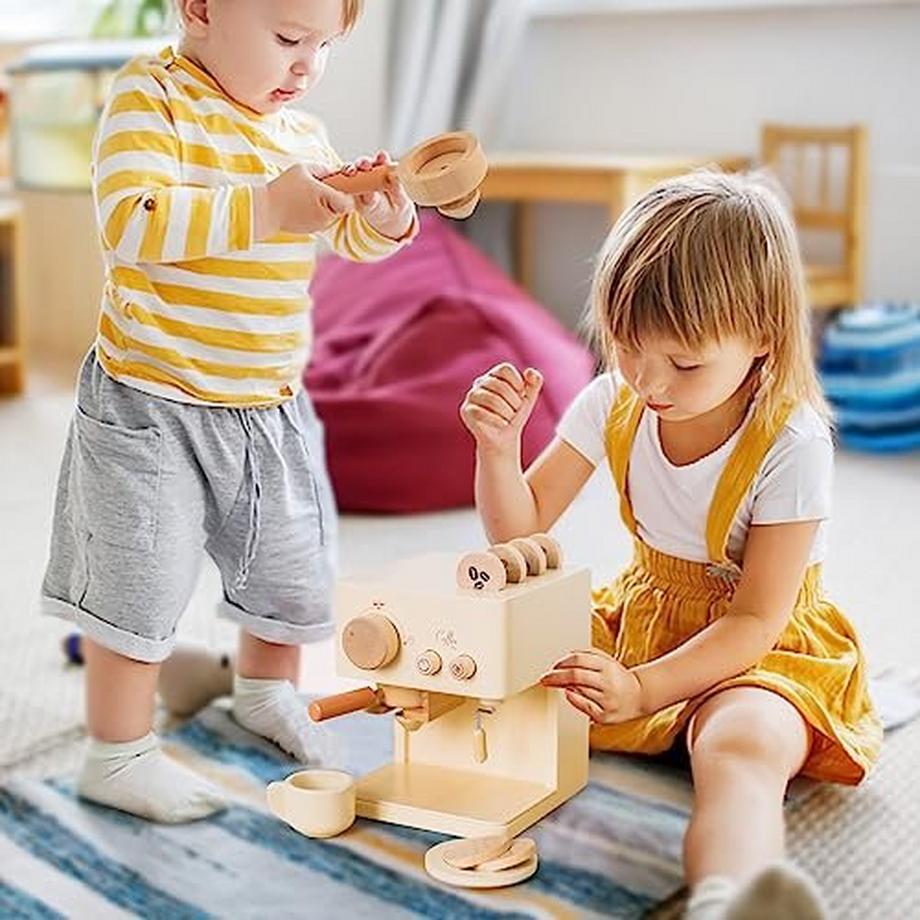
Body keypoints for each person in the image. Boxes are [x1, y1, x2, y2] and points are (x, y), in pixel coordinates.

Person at [460, 171, 881, 919]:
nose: (648, 381)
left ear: (762, 339)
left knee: (740, 749)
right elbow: (522, 534)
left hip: (759, 646)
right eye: (627, 346)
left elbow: (754, 621)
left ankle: (732, 897)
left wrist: (647, 690)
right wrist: (497, 450)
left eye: (684, 362)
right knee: (490, 661)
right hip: (644, 615)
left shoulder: (791, 441)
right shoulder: (614, 399)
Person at [41, 0, 417, 823]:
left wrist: (383, 218)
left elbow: (345, 235)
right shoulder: (154, 96)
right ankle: (119, 752)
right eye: (288, 39)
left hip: (266, 407)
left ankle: (265, 692)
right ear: (202, 9)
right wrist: (266, 208)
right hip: (151, 401)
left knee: (290, 569)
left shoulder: (303, 139)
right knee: (136, 581)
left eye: (324, 47)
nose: (305, 66)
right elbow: (128, 220)